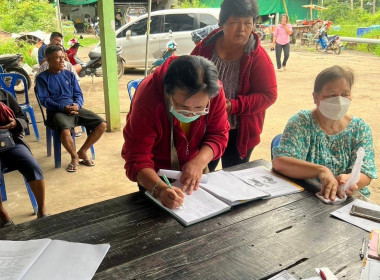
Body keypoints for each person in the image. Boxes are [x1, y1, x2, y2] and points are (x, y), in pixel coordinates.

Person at [122, 55, 230, 209]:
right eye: (183, 107)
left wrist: (199, 162)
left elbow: (218, 135)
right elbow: (137, 157)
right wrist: (159, 190)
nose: (191, 114)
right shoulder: (148, 98)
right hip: (154, 173)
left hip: (194, 169)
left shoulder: (214, 91)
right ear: (168, 92)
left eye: (200, 108)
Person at [191, 0, 277, 172]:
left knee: (234, 180)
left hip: (239, 132)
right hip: (205, 127)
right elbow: (188, 80)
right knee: (201, 176)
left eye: (247, 23)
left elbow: (269, 95)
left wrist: (234, 105)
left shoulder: (257, 56)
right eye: (235, 23)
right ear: (222, 23)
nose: (242, 28)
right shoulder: (205, 49)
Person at [272, 66, 377, 201]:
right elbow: (281, 163)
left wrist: (349, 181)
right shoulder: (301, 123)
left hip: (347, 200)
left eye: (345, 94)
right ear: (316, 97)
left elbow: (366, 173)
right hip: (307, 198)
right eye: (332, 95)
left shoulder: (359, 128)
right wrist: (321, 171)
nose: (339, 101)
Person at [35, 45, 107, 173]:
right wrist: (64, 108)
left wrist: (77, 105)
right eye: (57, 58)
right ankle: (74, 157)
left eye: (63, 57)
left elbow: (78, 94)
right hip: (56, 112)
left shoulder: (69, 74)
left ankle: (82, 151)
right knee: (65, 131)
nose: (62, 61)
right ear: (48, 60)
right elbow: (44, 100)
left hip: (74, 108)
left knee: (101, 124)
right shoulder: (42, 78)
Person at [0, 88, 48, 227]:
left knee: (31, 164)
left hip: (9, 140)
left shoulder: (4, 95)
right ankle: (3, 216)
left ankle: (42, 210)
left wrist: (16, 123)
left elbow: (23, 118)